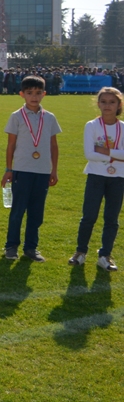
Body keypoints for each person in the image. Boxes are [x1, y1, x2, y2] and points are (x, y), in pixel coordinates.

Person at [1, 75, 61, 262]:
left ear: (44, 94)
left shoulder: (49, 118)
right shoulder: (16, 116)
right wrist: (9, 169)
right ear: (22, 94)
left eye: (37, 93)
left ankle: (31, 247)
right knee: (18, 210)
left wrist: (54, 170)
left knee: (36, 212)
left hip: (42, 171)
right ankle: (11, 246)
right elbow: (11, 145)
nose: (34, 97)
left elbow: (53, 146)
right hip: (22, 170)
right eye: (29, 93)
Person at [70, 87, 124, 271]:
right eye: (104, 102)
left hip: (118, 177)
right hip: (96, 176)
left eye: (112, 102)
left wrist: (105, 151)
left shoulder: (123, 127)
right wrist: (116, 155)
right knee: (89, 216)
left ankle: (105, 255)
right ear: (98, 104)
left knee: (112, 218)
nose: (107, 105)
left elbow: (99, 152)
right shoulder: (92, 125)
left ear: (119, 105)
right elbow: (89, 154)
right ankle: (80, 252)